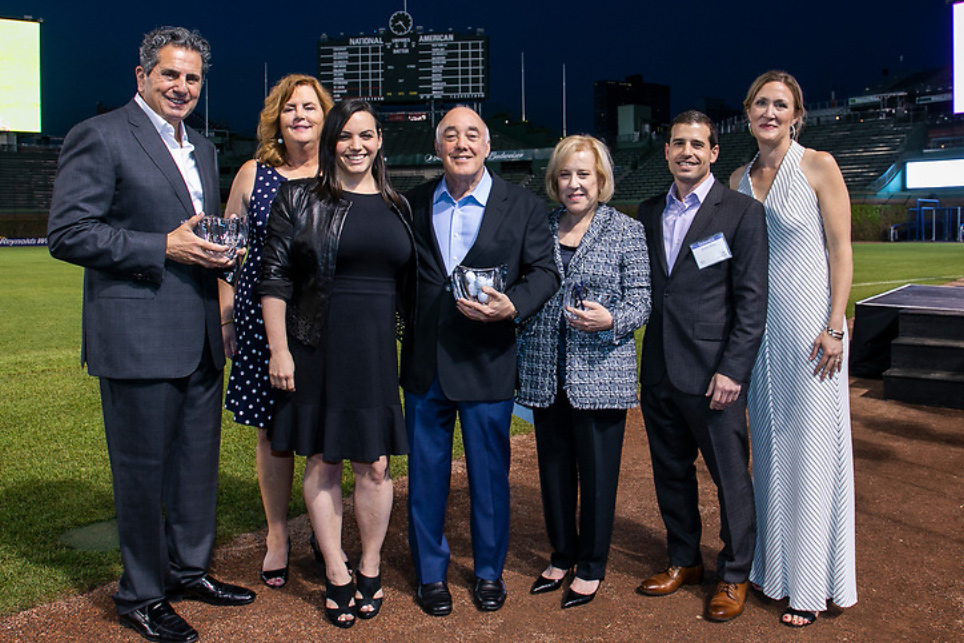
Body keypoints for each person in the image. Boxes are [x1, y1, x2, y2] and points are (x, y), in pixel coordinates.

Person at [47, 26, 255, 643]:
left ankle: (188, 571)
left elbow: (199, 234)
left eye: (192, 78)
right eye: (170, 74)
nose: (182, 87)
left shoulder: (205, 148)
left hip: (198, 335)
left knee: (196, 467)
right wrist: (162, 245)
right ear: (142, 76)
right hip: (137, 334)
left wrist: (217, 254)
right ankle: (140, 593)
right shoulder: (102, 133)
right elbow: (68, 232)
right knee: (141, 471)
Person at [256, 98, 414, 628]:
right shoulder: (298, 197)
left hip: (373, 352)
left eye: (366, 135)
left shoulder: (398, 204)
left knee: (375, 464)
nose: (356, 145)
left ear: (379, 142)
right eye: (345, 136)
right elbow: (274, 277)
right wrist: (279, 349)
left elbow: (411, 288)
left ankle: (369, 563)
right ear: (331, 142)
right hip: (314, 345)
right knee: (322, 460)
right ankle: (336, 569)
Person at [401, 106, 559, 616]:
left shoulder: (524, 206)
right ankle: (431, 574)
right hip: (426, 365)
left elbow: (544, 272)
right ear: (437, 146)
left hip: (488, 360)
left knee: (489, 478)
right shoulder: (412, 202)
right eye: (450, 135)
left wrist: (515, 304)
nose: (461, 143)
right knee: (426, 478)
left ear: (488, 146)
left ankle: (489, 572)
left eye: (472, 135)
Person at [731, 70, 856, 628]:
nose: (771, 112)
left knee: (811, 452)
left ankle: (809, 584)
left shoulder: (819, 165)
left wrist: (834, 324)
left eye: (781, 104)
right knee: (771, 448)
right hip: (759, 332)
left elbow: (841, 249)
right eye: (762, 103)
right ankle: (773, 571)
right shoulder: (736, 177)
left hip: (812, 329)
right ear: (749, 112)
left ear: (797, 115)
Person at [635, 110, 768, 623]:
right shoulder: (648, 212)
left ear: (714, 152)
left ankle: (734, 574)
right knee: (671, 472)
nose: (686, 151)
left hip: (715, 373)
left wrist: (733, 369)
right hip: (660, 370)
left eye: (698, 144)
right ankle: (684, 560)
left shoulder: (739, 212)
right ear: (666, 151)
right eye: (677, 143)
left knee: (730, 477)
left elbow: (752, 301)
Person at [516, 135, 651, 609]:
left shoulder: (626, 230)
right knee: (553, 472)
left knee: (596, 476)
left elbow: (641, 302)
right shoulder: (541, 226)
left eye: (584, 175)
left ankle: (591, 565)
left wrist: (611, 319)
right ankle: (560, 554)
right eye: (566, 175)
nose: (575, 184)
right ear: (554, 181)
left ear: (601, 180)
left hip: (600, 373)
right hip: (544, 371)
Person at [217, 74, 333, 589]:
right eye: (290, 108)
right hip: (260, 322)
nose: (300, 115)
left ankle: (324, 530)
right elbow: (225, 253)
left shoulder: (341, 172)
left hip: (327, 322)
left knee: (322, 432)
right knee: (272, 432)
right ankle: (278, 534)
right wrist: (226, 317)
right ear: (276, 118)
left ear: (326, 117)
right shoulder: (252, 174)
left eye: (310, 106)